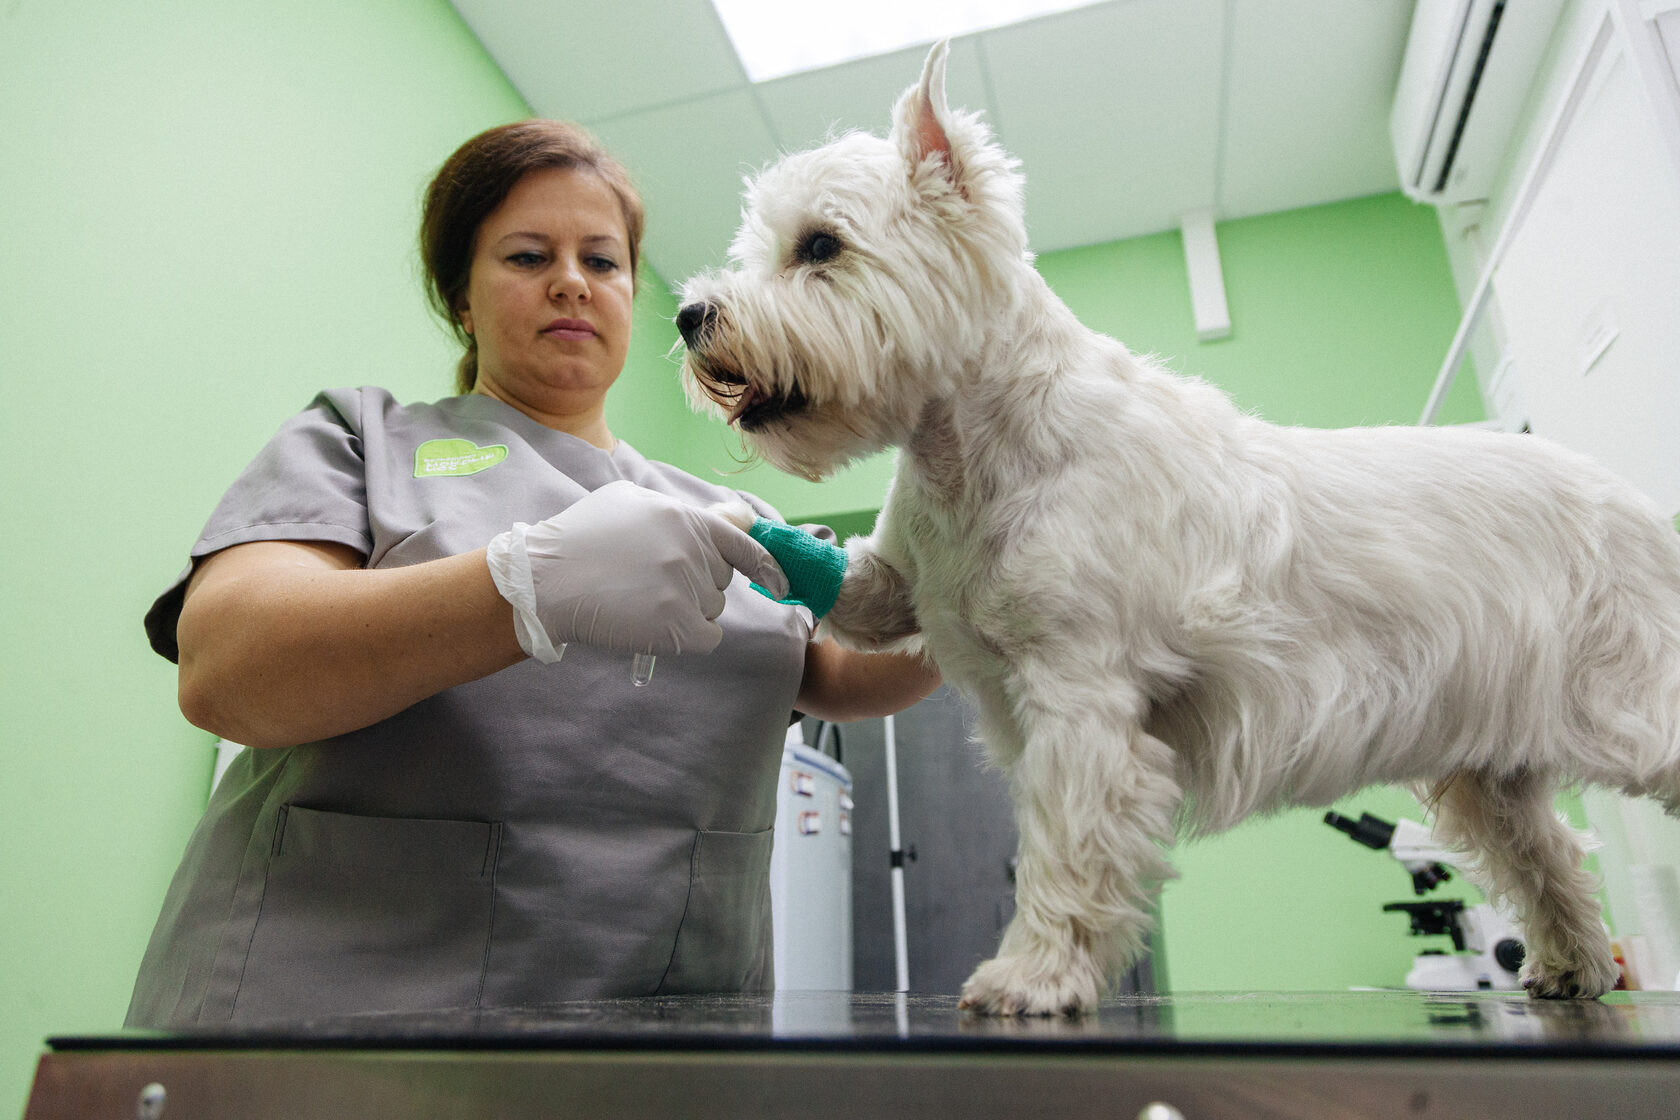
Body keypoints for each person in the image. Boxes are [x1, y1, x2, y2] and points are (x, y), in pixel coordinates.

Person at [126, 119, 939, 1027]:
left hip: (659, 1044)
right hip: (332, 1035)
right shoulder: (367, 442)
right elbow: (227, 669)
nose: (571, 282)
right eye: (526, 256)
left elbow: (849, 665)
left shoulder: (727, 513)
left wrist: (981, 562)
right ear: (461, 299)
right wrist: (524, 584)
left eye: (603, 260)